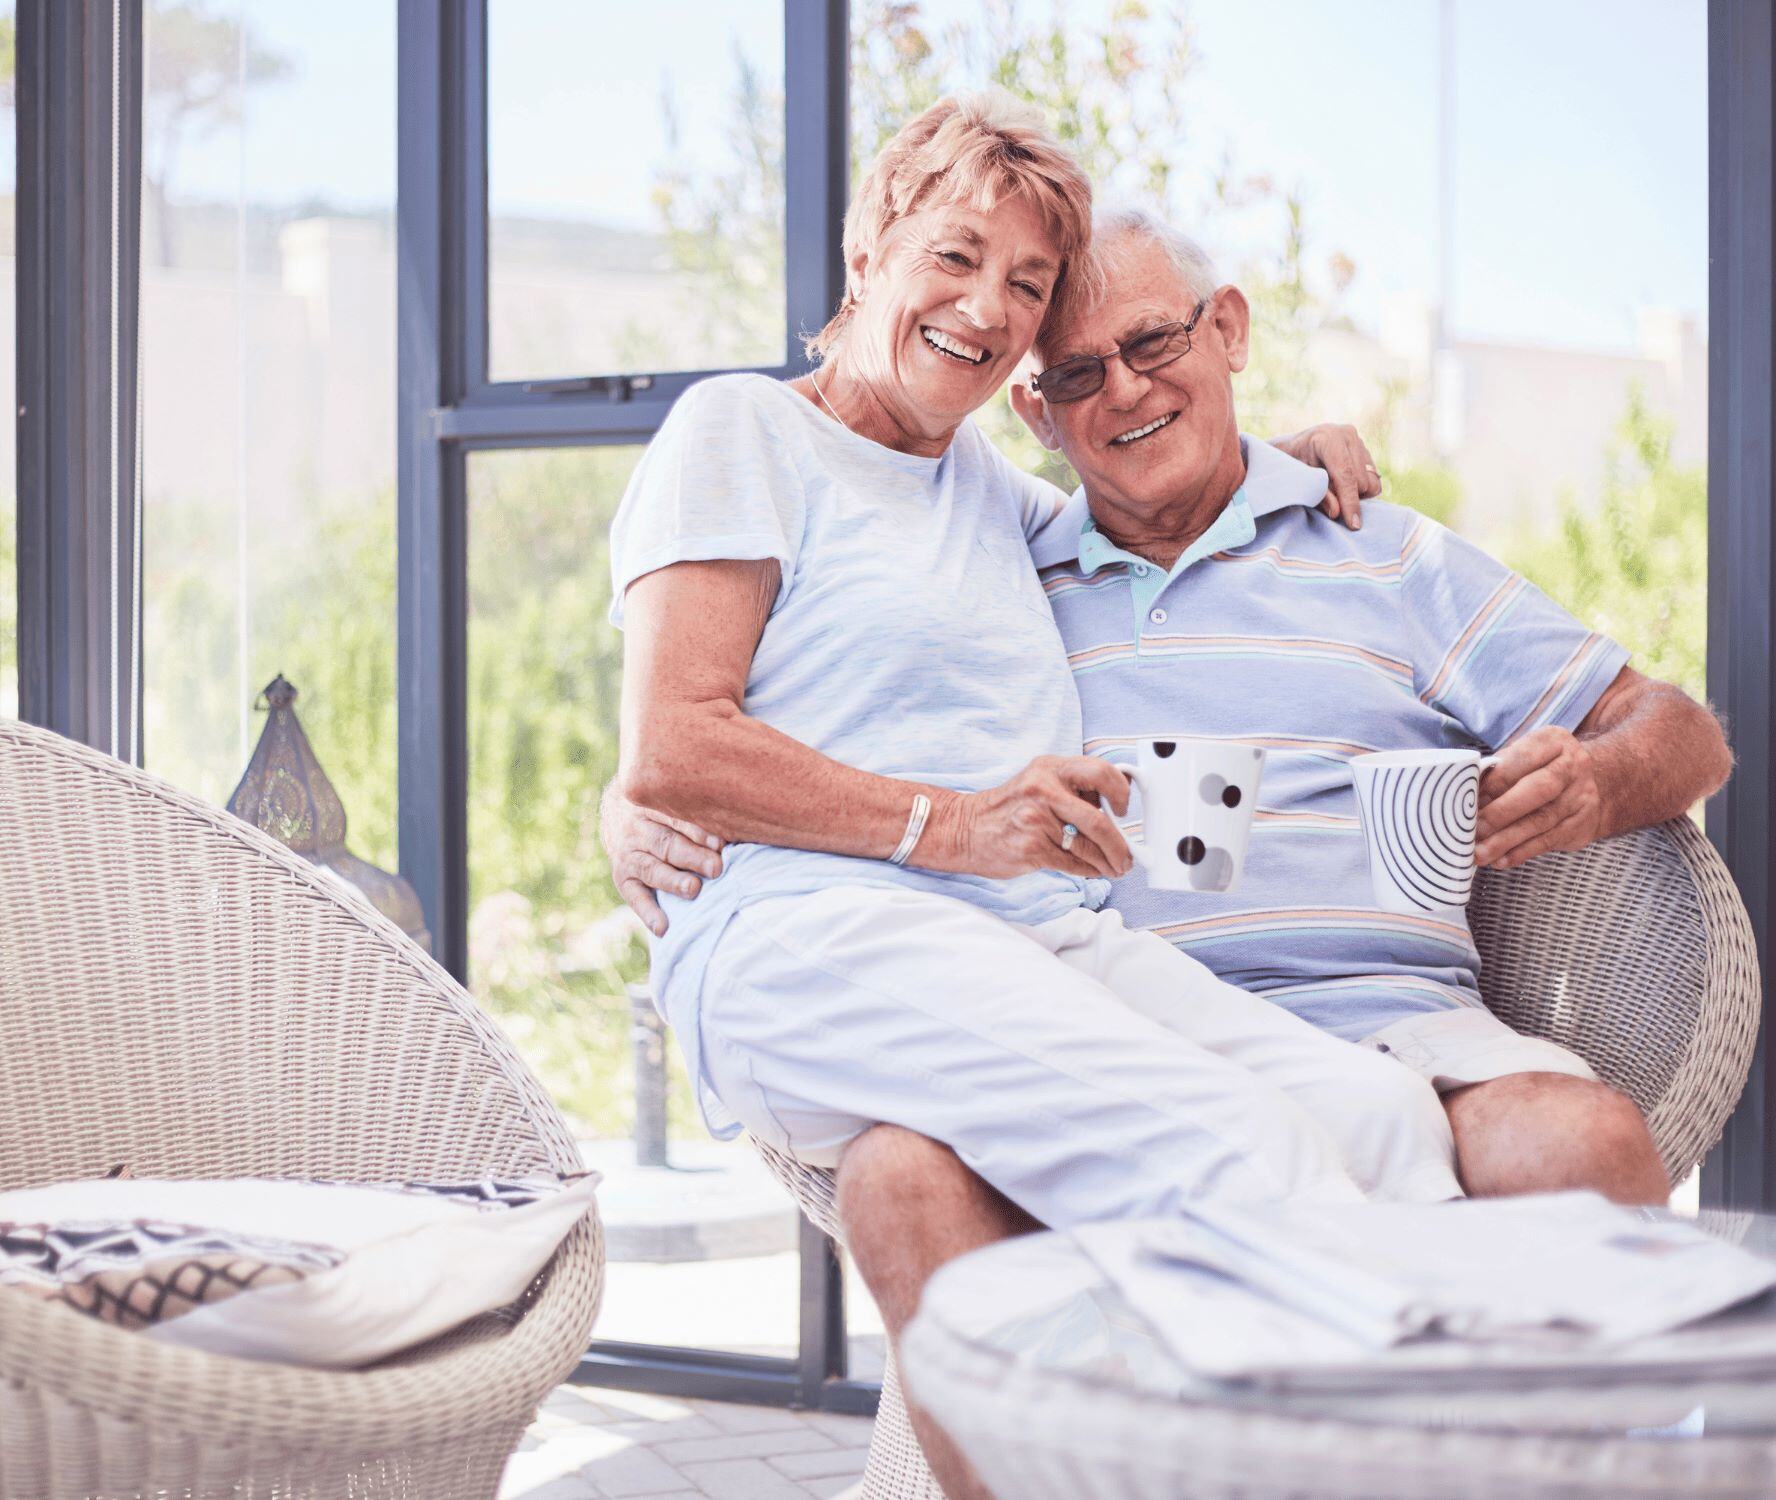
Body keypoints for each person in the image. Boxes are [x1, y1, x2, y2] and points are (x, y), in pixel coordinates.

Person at [608, 205, 1732, 1495]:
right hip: (1079, 1006)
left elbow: (1678, 732)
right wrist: (632, 789)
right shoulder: (998, 560)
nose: (1123, 392)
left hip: (1385, 1020)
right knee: (899, 1173)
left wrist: (1593, 782)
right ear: (1032, 413)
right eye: (1075, 374)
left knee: (1573, 1146)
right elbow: (756, 675)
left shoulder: (1380, 549)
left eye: (1151, 344)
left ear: (1229, 329)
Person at [612, 89, 1460, 1246]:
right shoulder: (743, 432)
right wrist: (945, 828)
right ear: (867, 251)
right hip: (815, 941)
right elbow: (672, 743)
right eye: (955, 256)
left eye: (1025, 284)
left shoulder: (989, 492)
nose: (986, 307)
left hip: (1035, 934)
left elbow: (1154, 497)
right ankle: (1259, 1418)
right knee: (1235, 1142)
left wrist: (1279, 463)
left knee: (1378, 1119)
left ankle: (1436, 1412)